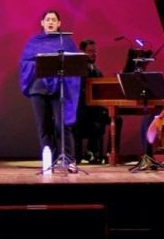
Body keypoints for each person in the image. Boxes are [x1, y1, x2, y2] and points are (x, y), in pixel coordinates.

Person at [19, 10, 81, 173]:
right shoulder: (33, 41)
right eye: (48, 19)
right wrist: (42, 62)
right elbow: (25, 63)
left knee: (63, 124)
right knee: (43, 126)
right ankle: (50, 160)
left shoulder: (66, 41)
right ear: (42, 23)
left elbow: (75, 66)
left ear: (59, 23)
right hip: (38, 89)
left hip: (61, 88)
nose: (51, 22)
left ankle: (69, 159)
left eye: (54, 20)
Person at [74, 39, 113, 164]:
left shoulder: (96, 70)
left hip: (93, 110)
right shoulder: (76, 69)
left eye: (94, 51)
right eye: (90, 51)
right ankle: (86, 152)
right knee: (93, 120)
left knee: (115, 119)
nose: (93, 54)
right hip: (80, 110)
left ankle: (108, 154)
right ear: (82, 52)